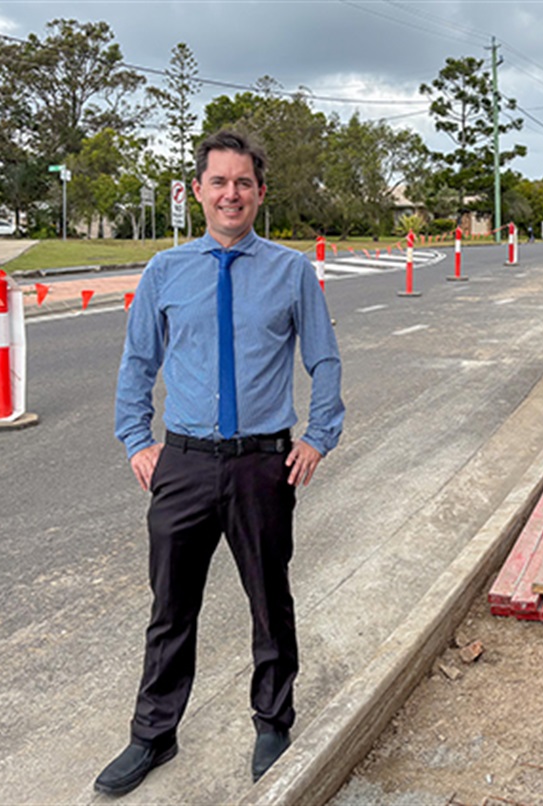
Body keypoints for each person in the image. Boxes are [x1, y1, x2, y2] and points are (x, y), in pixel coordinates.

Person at [97, 130, 344, 795]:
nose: (230, 193)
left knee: (270, 600)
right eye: (219, 181)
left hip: (262, 466)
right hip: (181, 464)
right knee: (171, 607)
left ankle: (272, 719)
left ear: (260, 193)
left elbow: (323, 359)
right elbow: (138, 364)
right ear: (199, 190)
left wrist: (318, 436)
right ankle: (154, 732)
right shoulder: (165, 272)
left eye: (243, 182)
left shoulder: (290, 272)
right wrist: (136, 440)